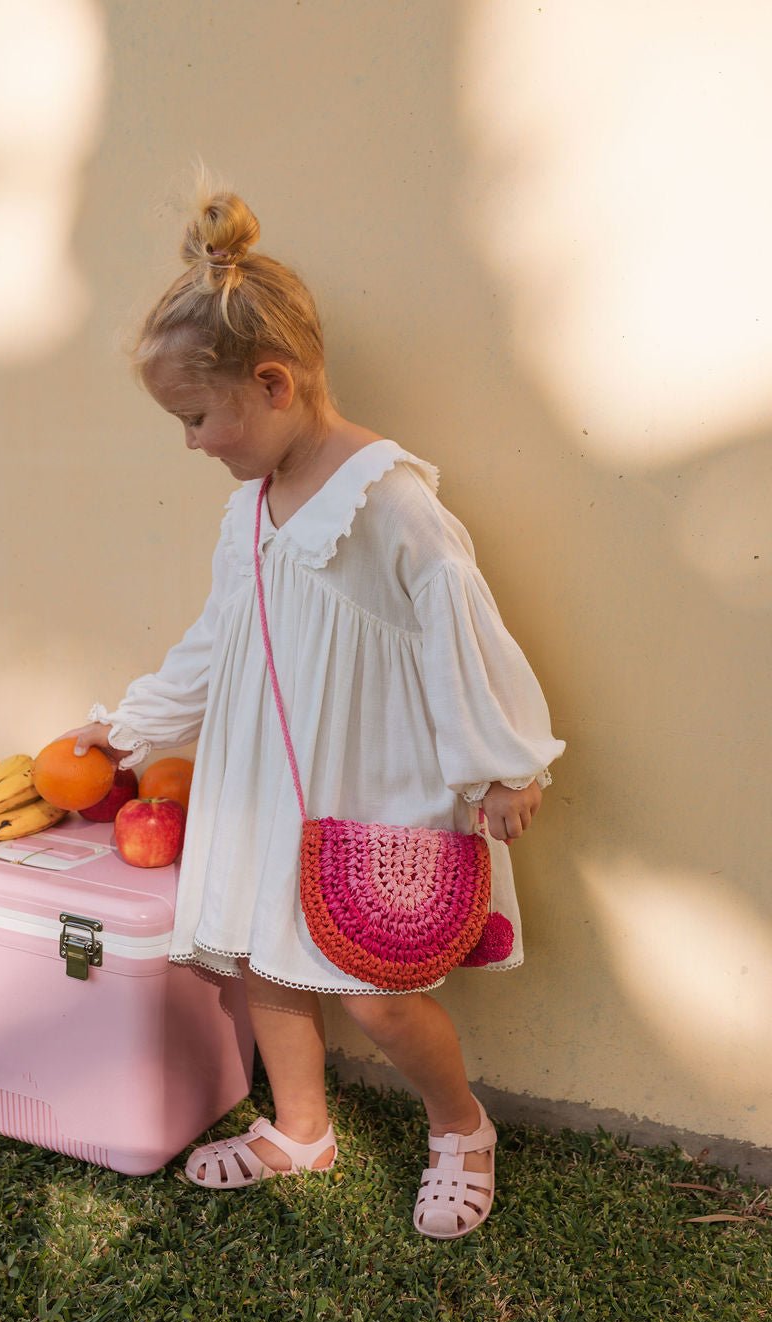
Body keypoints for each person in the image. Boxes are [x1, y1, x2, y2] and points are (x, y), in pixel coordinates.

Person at [61, 186, 564, 1239]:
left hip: (371, 785)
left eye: (196, 417)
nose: (191, 443)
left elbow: (459, 626)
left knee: (377, 989)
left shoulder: (388, 503)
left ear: (273, 385)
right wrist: (134, 724)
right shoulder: (247, 510)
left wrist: (504, 764)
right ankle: (300, 1126)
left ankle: (460, 1125)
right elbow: (216, 642)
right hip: (263, 786)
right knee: (263, 955)